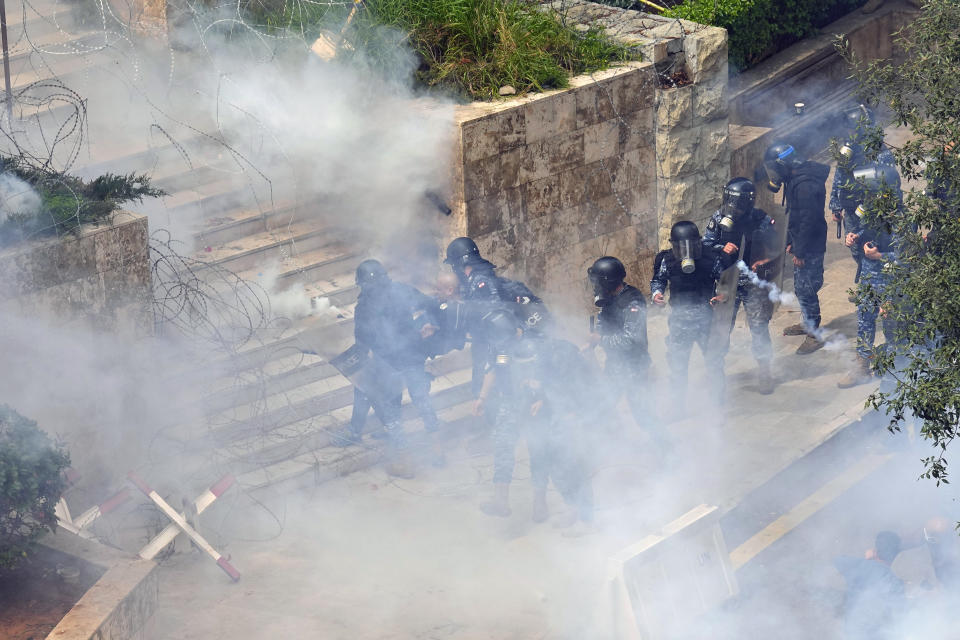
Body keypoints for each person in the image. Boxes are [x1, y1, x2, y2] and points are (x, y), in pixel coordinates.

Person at [341, 259, 442, 477]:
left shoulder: (365, 306)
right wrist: (427, 324)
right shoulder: (401, 290)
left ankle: (405, 464)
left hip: (388, 364)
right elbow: (430, 304)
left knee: (392, 413)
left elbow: (361, 343)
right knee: (423, 402)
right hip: (413, 356)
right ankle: (438, 453)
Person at [702, 177, 779, 394]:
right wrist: (721, 247)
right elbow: (705, 245)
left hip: (753, 283)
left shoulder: (761, 219)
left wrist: (765, 262)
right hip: (727, 282)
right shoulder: (718, 218)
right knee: (720, 328)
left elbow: (776, 247)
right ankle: (715, 377)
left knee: (759, 327)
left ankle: (765, 372)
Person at [585, 257, 665, 448]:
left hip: (634, 367)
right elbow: (604, 322)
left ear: (607, 281)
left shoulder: (632, 301)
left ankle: (667, 450)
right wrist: (592, 341)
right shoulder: (609, 299)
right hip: (615, 366)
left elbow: (630, 339)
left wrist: (601, 340)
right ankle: (614, 449)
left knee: (643, 414)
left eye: (597, 282)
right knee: (602, 407)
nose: (595, 287)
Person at [650, 221, 731, 409]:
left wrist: (722, 295)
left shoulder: (711, 259)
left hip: (706, 319)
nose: (686, 251)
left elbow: (728, 282)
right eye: (681, 247)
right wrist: (657, 294)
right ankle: (678, 406)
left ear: (697, 243)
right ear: (674, 246)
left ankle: (718, 406)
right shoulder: (667, 260)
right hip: (679, 321)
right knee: (677, 366)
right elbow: (658, 280)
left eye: (691, 246)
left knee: (714, 363)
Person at [837, 165, 903, 388]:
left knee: (891, 325)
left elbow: (908, 256)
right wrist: (853, 237)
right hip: (868, 276)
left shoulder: (900, 216)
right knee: (865, 321)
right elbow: (862, 229)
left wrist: (882, 255)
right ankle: (861, 366)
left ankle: (896, 369)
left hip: (890, 279)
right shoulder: (870, 208)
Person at [763, 141, 831, 354]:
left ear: (784, 165)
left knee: (806, 288)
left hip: (810, 245)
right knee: (803, 287)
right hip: (804, 241)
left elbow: (807, 221)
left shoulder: (805, 185)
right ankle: (807, 323)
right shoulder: (797, 177)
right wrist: (793, 241)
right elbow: (799, 216)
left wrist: (800, 251)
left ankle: (814, 334)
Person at [829, 104, 896, 292]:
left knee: (874, 246)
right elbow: (840, 175)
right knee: (856, 246)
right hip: (852, 208)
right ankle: (866, 278)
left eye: (851, 129)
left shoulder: (880, 153)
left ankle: (877, 284)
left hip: (873, 210)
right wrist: (836, 205)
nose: (848, 133)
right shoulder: (849, 150)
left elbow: (889, 182)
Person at [833, 531, 907, 640]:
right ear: (894, 555)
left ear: (875, 550)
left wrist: (868, 559)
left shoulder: (860, 565)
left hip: (852, 632)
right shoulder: (894, 581)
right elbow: (900, 611)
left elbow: (838, 560)